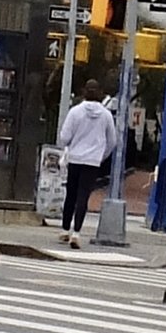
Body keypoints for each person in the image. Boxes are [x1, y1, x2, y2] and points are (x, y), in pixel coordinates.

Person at [56, 75, 121, 247]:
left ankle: (64, 229)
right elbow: (112, 141)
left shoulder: (75, 112)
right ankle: (77, 232)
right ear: (99, 93)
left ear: (84, 92)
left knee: (71, 194)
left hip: (76, 158)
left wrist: (72, 145)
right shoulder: (106, 116)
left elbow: (64, 137)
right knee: (84, 196)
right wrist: (101, 155)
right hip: (92, 161)